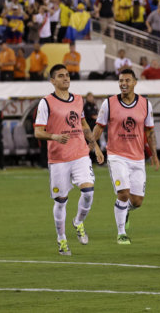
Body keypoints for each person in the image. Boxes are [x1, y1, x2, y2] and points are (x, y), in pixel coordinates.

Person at [33, 64, 104, 256]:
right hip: (58, 159)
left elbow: (83, 124)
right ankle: (61, 239)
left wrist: (95, 146)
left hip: (80, 153)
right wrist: (54, 137)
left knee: (88, 192)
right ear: (52, 81)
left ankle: (78, 221)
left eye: (67, 75)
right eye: (61, 76)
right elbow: (38, 131)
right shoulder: (46, 103)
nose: (66, 78)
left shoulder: (78, 99)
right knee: (61, 201)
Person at [92, 68, 160, 245]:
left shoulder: (145, 104)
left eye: (127, 80)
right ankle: (121, 233)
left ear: (135, 82)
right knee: (123, 193)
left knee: (136, 201)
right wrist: (93, 148)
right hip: (116, 156)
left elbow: (150, 132)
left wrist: (154, 155)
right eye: (121, 80)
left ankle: (126, 210)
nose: (123, 84)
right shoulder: (109, 103)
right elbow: (99, 128)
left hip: (137, 158)